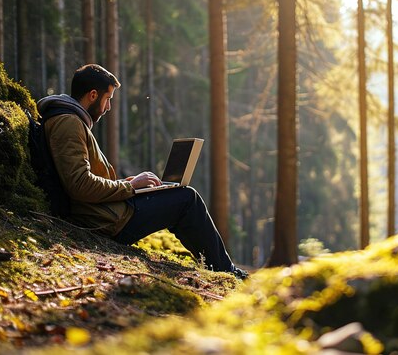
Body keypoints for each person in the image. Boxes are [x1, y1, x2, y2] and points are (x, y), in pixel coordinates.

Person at [36, 64, 247, 279]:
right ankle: (225, 271)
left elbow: (82, 179)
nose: (108, 107)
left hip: (107, 211)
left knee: (179, 197)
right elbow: (79, 185)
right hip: (106, 220)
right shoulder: (68, 123)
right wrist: (129, 187)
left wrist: (129, 184)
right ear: (92, 95)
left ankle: (218, 266)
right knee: (187, 199)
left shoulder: (70, 119)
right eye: (107, 99)